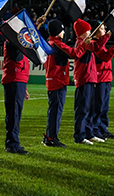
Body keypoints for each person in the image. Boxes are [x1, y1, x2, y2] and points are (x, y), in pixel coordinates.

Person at [42, 19, 86, 147]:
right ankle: (51, 137)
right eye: (62, 30)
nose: (63, 33)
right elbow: (75, 54)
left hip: (53, 80)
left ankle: (49, 136)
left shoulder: (49, 42)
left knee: (53, 110)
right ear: (58, 31)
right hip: (58, 80)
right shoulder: (57, 44)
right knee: (56, 111)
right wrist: (84, 45)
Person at [72, 19, 109, 145]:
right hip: (84, 79)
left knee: (88, 109)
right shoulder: (82, 43)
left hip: (91, 78)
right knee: (82, 109)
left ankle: (88, 133)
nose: (90, 32)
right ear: (83, 32)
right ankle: (80, 135)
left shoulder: (86, 43)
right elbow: (97, 47)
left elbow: (97, 48)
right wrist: (108, 36)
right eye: (88, 30)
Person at [89, 20, 114, 140]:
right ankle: (95, 129)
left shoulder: (101, 44)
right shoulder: (93, 44)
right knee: (98, 106)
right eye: (102, 29)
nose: (104, 31)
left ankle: (102, 129)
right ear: (95, 31)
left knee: (104, 107)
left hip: (105, 79)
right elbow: (104, 58)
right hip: (99, 79)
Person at [1, 39, 30, 154]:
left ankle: (12, 142)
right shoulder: (12, 42)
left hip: (18, 79)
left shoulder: (15, 42)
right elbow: (17, 57)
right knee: (14, 113)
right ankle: (12, 144)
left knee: (15, 113)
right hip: (15, 79)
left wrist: (24, 88)